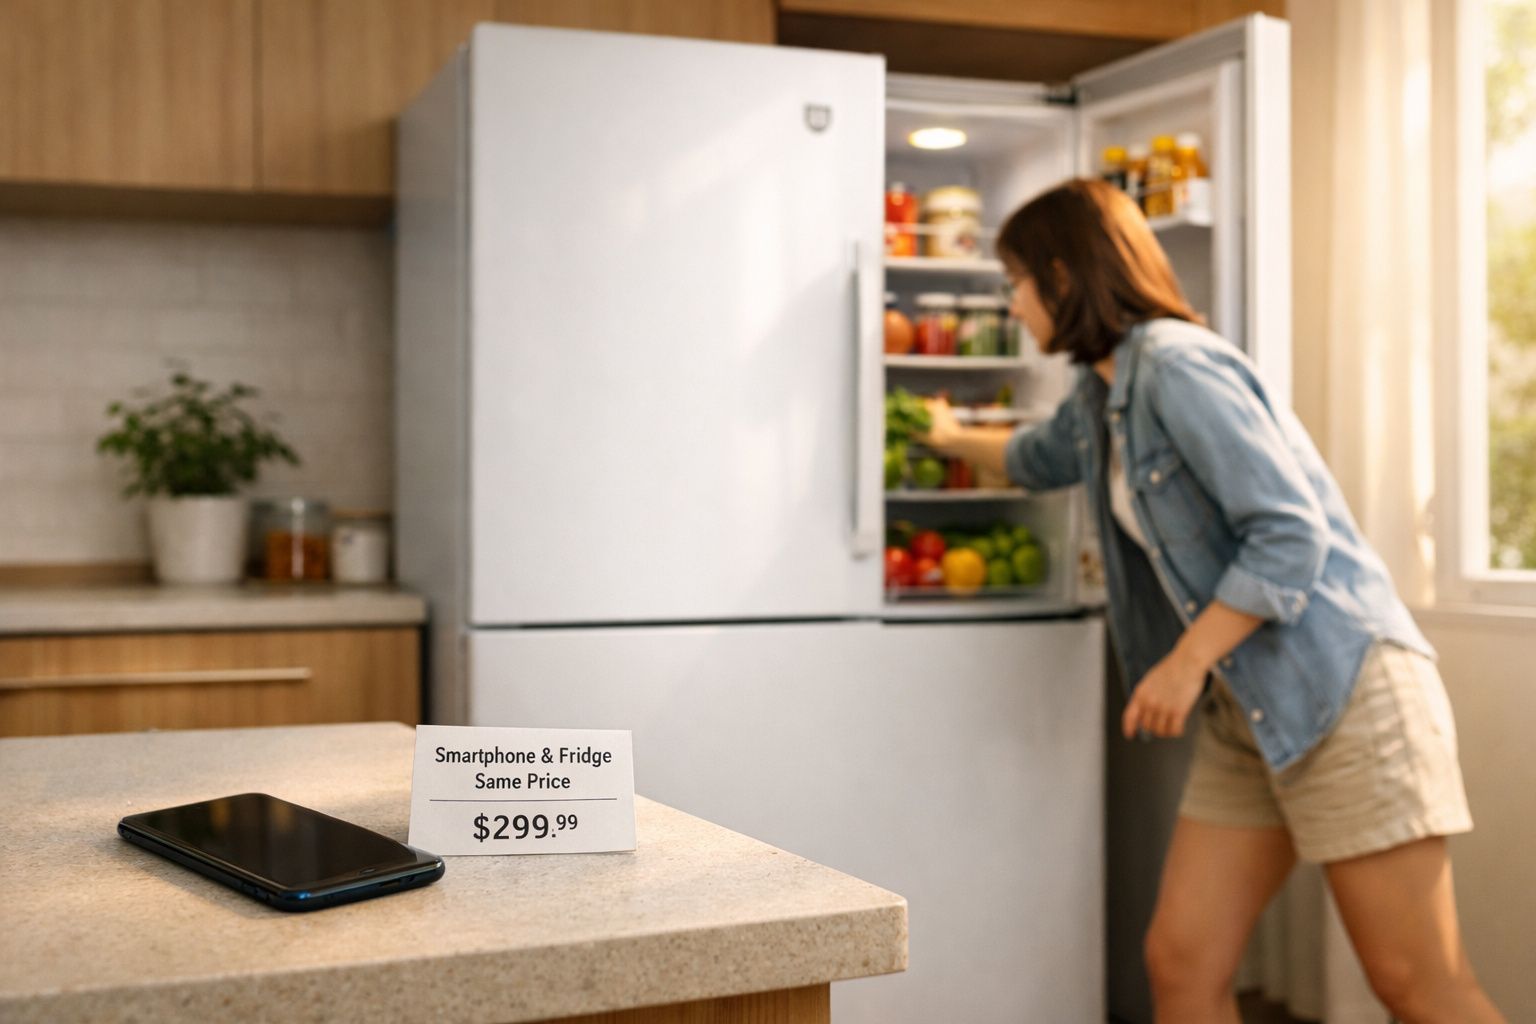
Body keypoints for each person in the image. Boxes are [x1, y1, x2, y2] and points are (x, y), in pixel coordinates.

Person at [918, 178, 1504, 1023]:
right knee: (1183, 962)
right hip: (1250, 709)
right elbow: (1034, 456)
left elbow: (1288, 535)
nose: (1012, 305)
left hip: (1345, 691)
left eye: (1015, 282)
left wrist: (1183, 665)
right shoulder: (1100, 395)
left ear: (1061, 276)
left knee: (1417, 984)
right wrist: (943, 435)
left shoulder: (1177, 367)